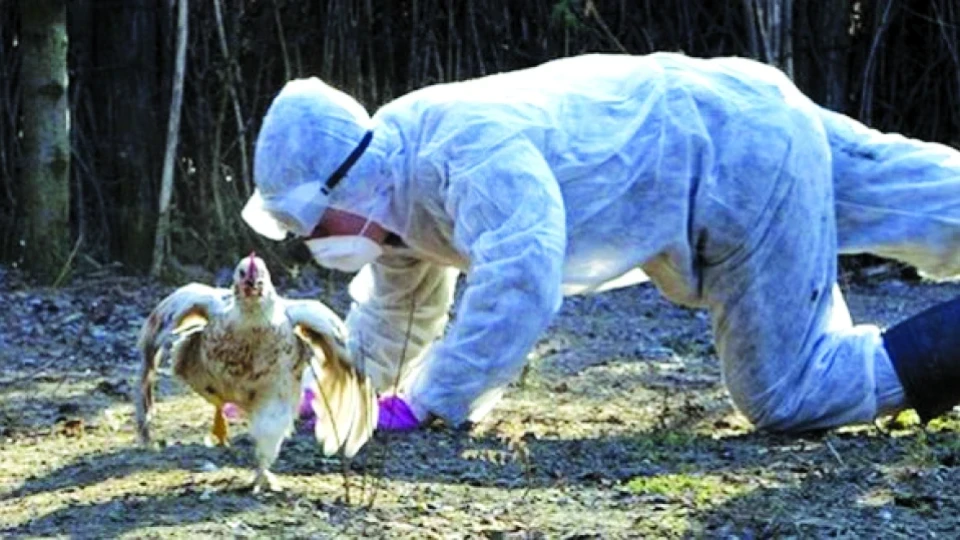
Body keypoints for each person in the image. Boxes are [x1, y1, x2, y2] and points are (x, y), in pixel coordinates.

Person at [240, 51, 960, 437]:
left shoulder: (457, 152)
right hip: (733, 115)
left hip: (732, 162)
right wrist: (330, 393)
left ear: (347, 185)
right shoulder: (396, 193)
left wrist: (431, 402)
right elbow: (395, 317)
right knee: (916, 195)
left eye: (313, 223)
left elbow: (521, 274)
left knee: (787, 390)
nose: (310, 241)